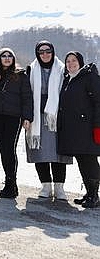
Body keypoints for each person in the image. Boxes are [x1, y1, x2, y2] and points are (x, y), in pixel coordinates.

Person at [0, 48, 33, 198]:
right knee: (3, 149)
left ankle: (11, 183)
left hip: (14, 116)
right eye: (3, 56)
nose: (6, 58)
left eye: (9, 55)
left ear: (13, 58)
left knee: (9, 148)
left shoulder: (21, 75)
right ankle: (8, 180)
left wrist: (27, 117)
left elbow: (27, 97)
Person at [26, 41, 71, 200]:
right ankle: (45, 185)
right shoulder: (31, 69)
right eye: (41, 51)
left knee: (58, 152)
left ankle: (59, 187)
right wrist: (27, 116)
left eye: (48, 51)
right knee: (40, 152)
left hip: (56, 115)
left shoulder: (62, 68)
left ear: (53, 52)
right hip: (37, 114)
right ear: (37, 53)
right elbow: (26, 94)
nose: (44, 54)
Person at [57, 51, 100, 208]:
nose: (70, 63)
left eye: (73, 60)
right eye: (67, 61)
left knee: (89, 160)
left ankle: (94, 195)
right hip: (75, 130)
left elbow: (98, 102)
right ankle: (89, 193)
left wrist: (97, 126)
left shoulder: (89, 77)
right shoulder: (68, 80)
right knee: (82, 161)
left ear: (80, 62)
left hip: (88, 128)